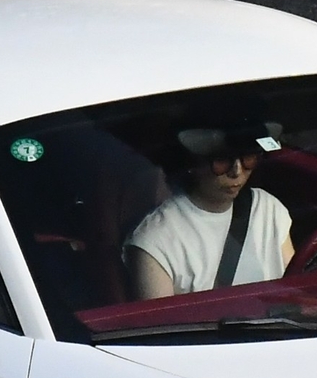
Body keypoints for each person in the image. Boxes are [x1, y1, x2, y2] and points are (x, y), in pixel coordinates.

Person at [126, 120, 295, 298]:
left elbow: (297, 287)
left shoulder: (268, 208)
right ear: (192, 163)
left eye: (248, 158)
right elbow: (160, 323)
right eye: (222, 161)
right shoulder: (155, 240)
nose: (236, 172)